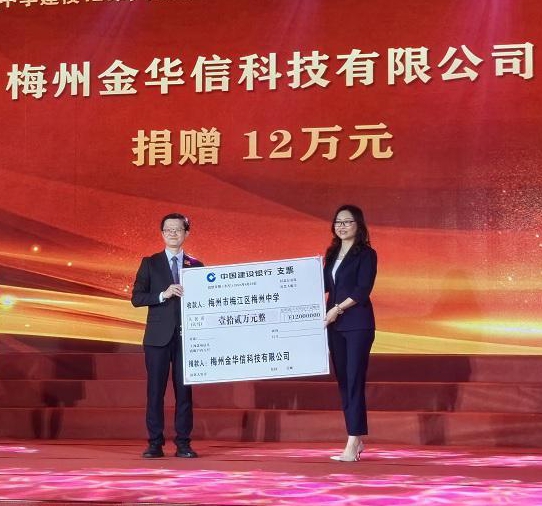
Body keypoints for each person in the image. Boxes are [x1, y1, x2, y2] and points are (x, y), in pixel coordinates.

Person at [131, 213, 203, 458]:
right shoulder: (150, 263)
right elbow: (137, 298)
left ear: (186, 233)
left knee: (184, 392)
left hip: (188, 338)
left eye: (178, 229)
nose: (173, 233)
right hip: (157, 339)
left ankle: (183, 443)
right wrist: (163, 294)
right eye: (168, 229)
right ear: (162, 234)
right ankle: (155, 443)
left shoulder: (197, 266)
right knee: (155, 391)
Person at [323, 204, 377, 462]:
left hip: (357, 324)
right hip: (335, 326)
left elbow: (362, 290)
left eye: (347, 221)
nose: (341, 226)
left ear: (358, 225)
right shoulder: (332, 253)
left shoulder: (366, 254)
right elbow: (323, 285)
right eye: (338, 222)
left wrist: (337, 309)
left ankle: (353, 441)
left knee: (354, 380)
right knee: (344, 381)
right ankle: (356, 437)